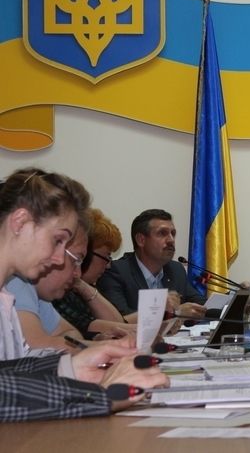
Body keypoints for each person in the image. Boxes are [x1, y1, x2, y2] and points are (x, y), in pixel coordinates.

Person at [0, 168, 168, 420]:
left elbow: (7, 372)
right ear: (20, 222)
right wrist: (97, 396)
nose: (59, 258)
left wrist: (72, 367)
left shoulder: (6, 297)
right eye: (58, 240)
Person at [97, 209, 206, 318]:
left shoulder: (176, 269)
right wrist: (175, 312)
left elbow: (201, 305)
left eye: (173, 233)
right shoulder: (116, 272)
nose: (171, 240)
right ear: (141, 240)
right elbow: (120, 318)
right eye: (162, 233)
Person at [53, 208, 138, 337]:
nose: (109, 265)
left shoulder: (89, 286)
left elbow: (119, 322)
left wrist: (83, 286)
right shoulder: (58, 290)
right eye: (106, 256)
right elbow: (87, 325)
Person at [6, 225, 92, 353]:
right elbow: (36, 348)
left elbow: (71, 333)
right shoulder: (16, 282)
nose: (78, 274)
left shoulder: (36, 292)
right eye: (76, 260)